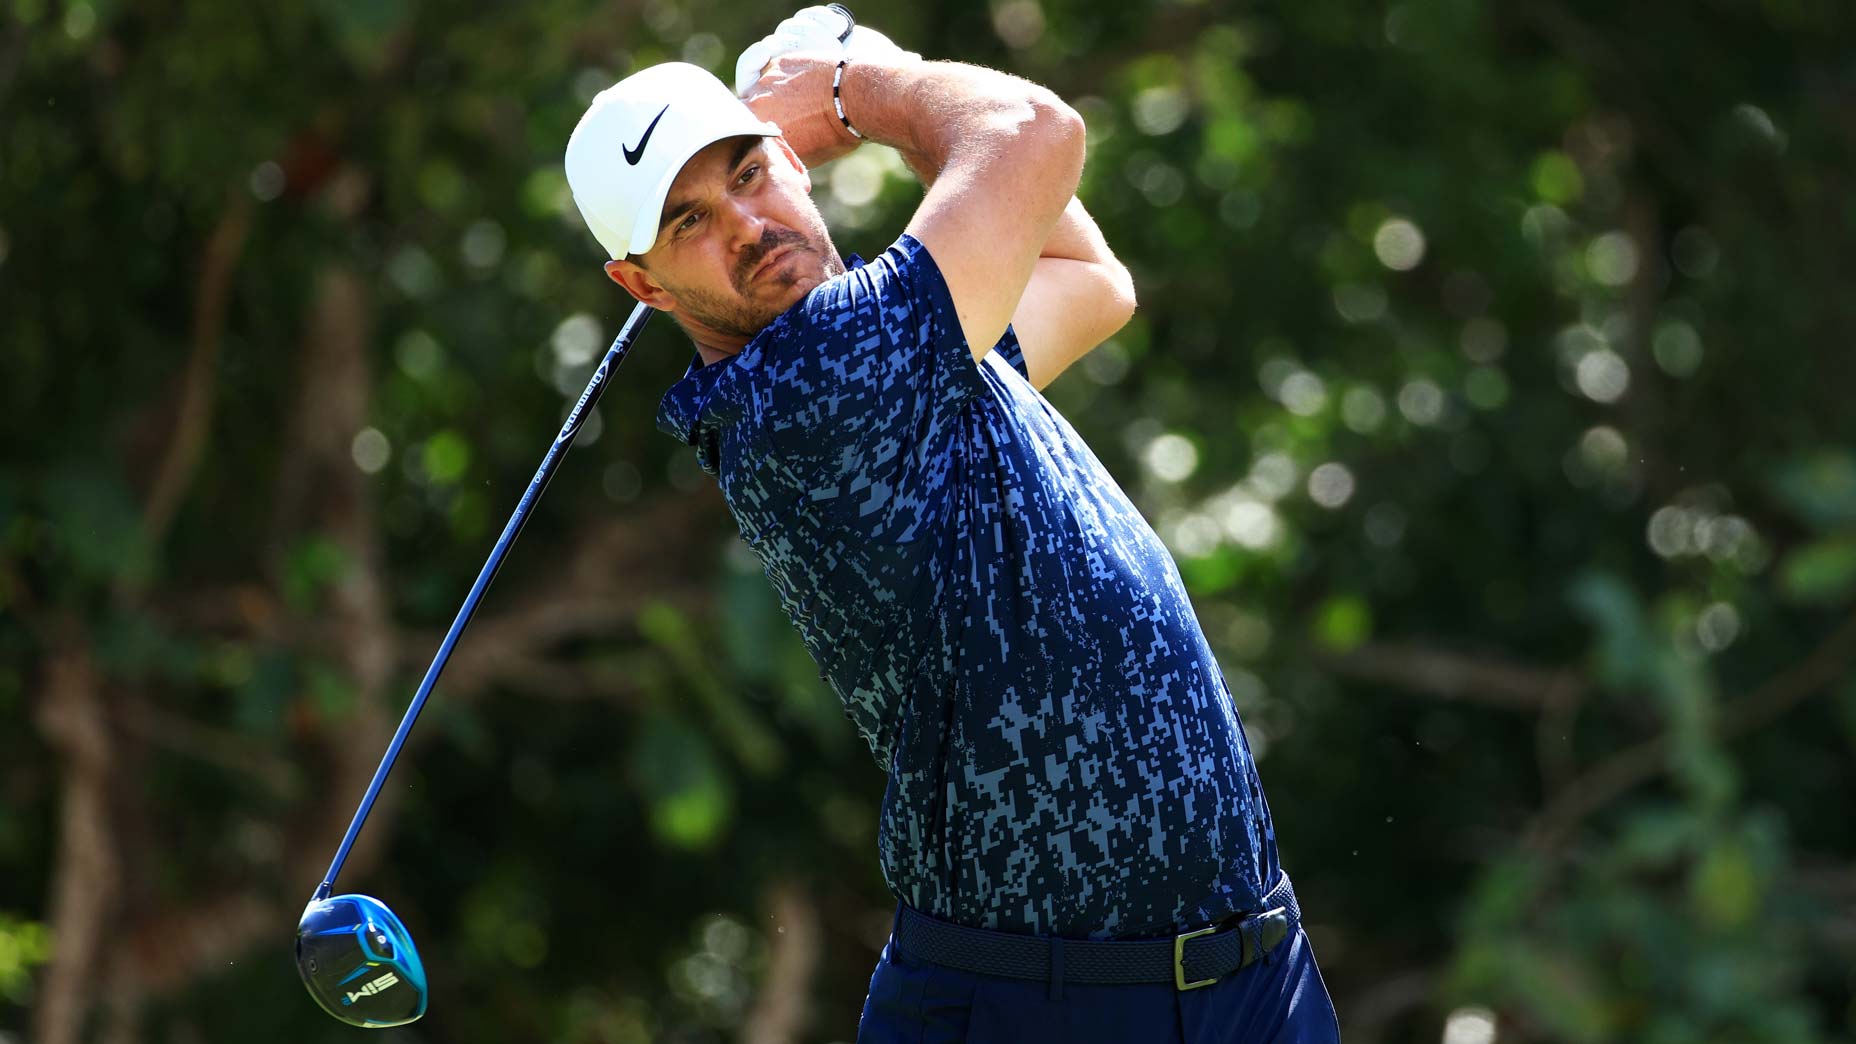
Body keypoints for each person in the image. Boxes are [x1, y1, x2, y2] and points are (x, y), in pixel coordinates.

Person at [564, 9, 1340, 1042]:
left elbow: (1087, 281)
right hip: (1045, 1004)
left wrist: (865, 103)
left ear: (790, 162)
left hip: (1240, 977)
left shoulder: (911, 355)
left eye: (745, 175)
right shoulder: (821, 383)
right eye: (686, 223)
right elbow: (1037, 135)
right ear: (640, 284)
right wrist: (863, 84)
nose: (744, 228)